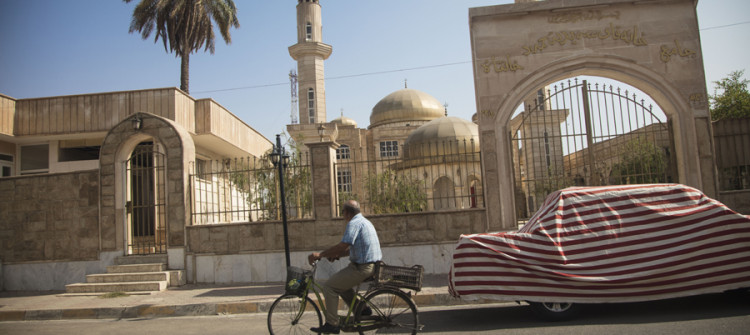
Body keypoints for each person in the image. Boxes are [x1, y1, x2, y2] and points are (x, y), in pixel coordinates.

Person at [308, 200, 382, 334]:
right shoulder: (365, 222)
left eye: (342, 212)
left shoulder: (353, 223)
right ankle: (362, 309)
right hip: (369, 266)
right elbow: (354, 249)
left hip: (362, 268)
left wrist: (320, 254)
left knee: (329, 287)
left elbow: (343, 246)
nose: (342, 215)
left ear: (347, 213)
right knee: (341, 286)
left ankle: (332, 324)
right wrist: (335, 255)